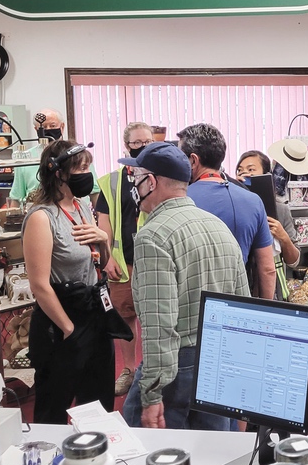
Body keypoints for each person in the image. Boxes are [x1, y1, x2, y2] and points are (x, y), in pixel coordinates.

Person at [119, 142, 249, 430]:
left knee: (151, 458)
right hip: (220, 358)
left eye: (136, 178)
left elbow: (158, 324)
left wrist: (152, 393)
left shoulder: (153, 235)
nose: (134, 186)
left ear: (150, 181)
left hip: (176, 366)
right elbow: (242, 303)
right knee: (214, 457)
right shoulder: (217, 226)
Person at [23, 139, 114, 424]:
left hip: (94, 310)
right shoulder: (42, 217)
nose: (87, 174)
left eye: (88, 166)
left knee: (98, 406)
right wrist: (69, 330)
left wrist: (104, 241)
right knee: (54, 407)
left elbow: (99, 260)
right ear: (58, 173)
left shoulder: (82, 205)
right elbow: (39, 285)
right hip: (61, 318)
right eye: (80, 168)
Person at [178, 124, 276, 299]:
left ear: (193, 161)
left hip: (191, 303)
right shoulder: (253, 201)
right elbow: (268, 269)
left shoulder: (179, 201)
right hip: (239, 303)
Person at [96, 121, 152, 396]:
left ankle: (153, 372)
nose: (142, 147)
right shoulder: (111, 181)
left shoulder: (161, 178)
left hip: (154, 260)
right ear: (126, 145)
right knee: (126, 317)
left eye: (147, 142)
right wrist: (106, 258)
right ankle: (129, 370)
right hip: (123, 263)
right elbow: (104, 225)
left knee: (157, 317)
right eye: (136, 143)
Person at [236, 149, 301, 300]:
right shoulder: (233, 206)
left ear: (266, 175)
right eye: (239, 171)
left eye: (251, 169)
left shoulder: (280, 209)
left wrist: (283, 236)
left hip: (274, 291)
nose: (244, 174)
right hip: (241, 287)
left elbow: (294, 261)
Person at [10, 109, 99, 207]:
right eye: (44, 127)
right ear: (36, 129)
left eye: (52, 126)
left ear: (62, 126)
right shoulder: (25, 158)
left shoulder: (77, 155)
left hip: (78, 212)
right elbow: (16, 197)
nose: (48, 130)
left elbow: (95, 192)